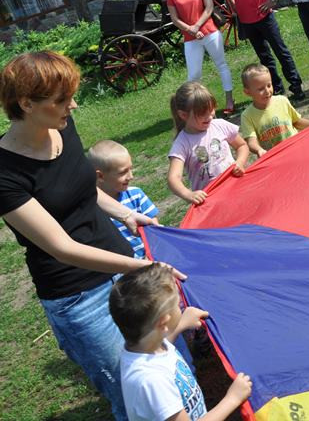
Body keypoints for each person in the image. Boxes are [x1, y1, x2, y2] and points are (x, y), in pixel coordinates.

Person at [0, 51, 182, 421]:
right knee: (130, 394)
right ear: (26, 104)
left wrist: (126, 214)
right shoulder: (5, 173)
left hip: (123, 273)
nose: (74, 104)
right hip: (79, 297)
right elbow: (61, 248)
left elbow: (82, 187)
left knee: (161, 371)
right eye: (62, 100)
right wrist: (142, 264)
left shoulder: (63, 126)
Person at [109, 262, 253, 421]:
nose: (180, 307)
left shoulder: (144, 346)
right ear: (163, 323)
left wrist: (180, 325)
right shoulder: (152, 382)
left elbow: (162, 351)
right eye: (177, 305)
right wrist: (232, 399)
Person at [222, 0, 305, 101]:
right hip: (247, 21)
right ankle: (276, 89)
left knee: (281, 51)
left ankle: (296, 86)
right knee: (265, 57)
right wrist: (234, 7)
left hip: (264, 17)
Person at [165, 0, 235, 114]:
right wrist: (191, 29)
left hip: (209, 32)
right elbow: (174, 19)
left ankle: (230, 100)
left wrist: (197, 26)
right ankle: (203, 105)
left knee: (221, 65)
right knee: (194, 74)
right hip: (190, 38)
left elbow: (209, 7)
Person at [167, 81, 249, 205]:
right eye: (202, 114)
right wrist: (189, 194)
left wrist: (240, 162)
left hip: (236, 187)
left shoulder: (220, 125)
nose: (210, 116)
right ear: (183, 115)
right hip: (211, 200)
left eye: (211, 110)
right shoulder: (182, 143)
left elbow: (242, 146)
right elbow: (173, 178)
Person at [88, 140, 159, 259]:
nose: (131, 176)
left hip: (149, 258)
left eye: (130, 169)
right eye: (123, 172)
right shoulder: (93, 208)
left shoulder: (136, 195)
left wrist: (151, 253)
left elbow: (154, 229)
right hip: (120, 266)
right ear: (100, 176)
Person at [239, 64, 309, 158]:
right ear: (247, 92)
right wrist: (259, 150)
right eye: (260, 89)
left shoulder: (282, 101)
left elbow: (297, 122)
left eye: (269, 85)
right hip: (275, 158)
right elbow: (251, 141)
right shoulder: (247, 115)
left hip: (297, 150)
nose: (267, 91)